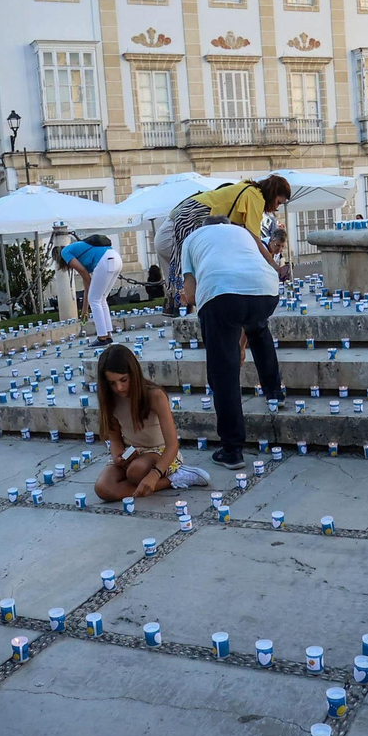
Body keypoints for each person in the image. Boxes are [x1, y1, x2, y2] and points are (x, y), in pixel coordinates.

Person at [180, 216, 283, 470]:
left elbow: (192, 293)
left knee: (223, 372)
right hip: (266, 291)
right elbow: (267, 261)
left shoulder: (192, 239)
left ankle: (232, 449)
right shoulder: (243, 233)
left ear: (205, 226)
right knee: (258, 328)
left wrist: (186, 298)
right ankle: (274, 392)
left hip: (221, 294)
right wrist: (241, 342)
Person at [92, 345, 210, 501]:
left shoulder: (155, 396)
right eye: (112, 383)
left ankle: (177, 476)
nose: (119, 388)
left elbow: (172, 445)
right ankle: (163, 481)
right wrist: (117, 456)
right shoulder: (110, 398)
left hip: (161, 452)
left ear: (133, 374)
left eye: (123, 380)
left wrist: (154, 474)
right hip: (132, 452)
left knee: (135, 472)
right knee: (103, 489)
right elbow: (114, 438)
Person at [164, 176, 291, 309]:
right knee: (191, 265)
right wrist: (274, 265)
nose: (275, 208)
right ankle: (183, 308)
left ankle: (180, 305)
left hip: (190, 207)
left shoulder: (249, 188)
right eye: (278, 203)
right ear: (272, 193)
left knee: (184, 261)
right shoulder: (256, 197)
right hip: (198, 211)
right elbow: (254, 238)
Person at [53, 235, 123, 346]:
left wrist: (90, 292)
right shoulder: (78, 251)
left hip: (104, 261)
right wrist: (85, 310)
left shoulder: (65, 253)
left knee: (95, 300)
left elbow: (83, 273)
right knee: (101, 299)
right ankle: (108, 335)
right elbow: (86, 281)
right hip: (116, 259)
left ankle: (101, 337)